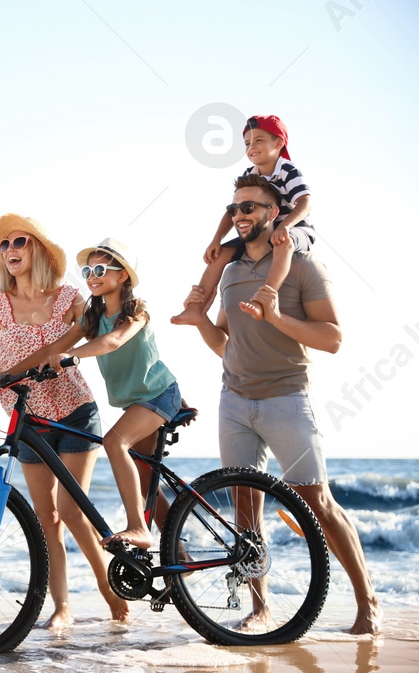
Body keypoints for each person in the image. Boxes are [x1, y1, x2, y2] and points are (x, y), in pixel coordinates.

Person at [183, 173, 381, 635]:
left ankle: (368, 603)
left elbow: (332, 339)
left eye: (249, 207)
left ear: (274, 213)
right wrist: (198, 322)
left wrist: (276, 315)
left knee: (316, 501)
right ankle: (261, 608)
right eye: (235, 209)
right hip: (234, 400)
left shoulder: (305, 265)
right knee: (245, 506)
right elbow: (225, 344)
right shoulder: (230, 274)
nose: (239, 216)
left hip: (288, 397)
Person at [0, 214, 129, 627]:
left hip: (73, 410)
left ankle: (110, 589)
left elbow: (82, 334)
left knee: (71, 510)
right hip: (26, 417)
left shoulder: (69, 297)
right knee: (45, 517)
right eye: (5, 245)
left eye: (20, 242)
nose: (11, 250)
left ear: (38, 250)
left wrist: (20, 367)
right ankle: (62, 607)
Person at [35, 239, 182, 551]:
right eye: (87, 270)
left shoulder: (137, 311)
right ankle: (177, 554)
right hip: (137, 403)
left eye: (99, 269)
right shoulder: (92, 316)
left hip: (158, 395)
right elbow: (55, 347)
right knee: (146, 482)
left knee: (115, 442)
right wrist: (7, 375)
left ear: (122, 275)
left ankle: (138, 528)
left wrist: (72, 356)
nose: (91, 275)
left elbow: (114, 341)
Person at [173, 115, 315, 325]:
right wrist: (216, 239)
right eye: (247, 143)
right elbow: (234, 211)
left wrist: (285, 226)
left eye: (258, 140)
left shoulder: (286, 170)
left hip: (295, 229)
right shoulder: (250, 173)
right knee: (220, 254)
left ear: (278, 142)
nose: (251, 147)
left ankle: (264, 299)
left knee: (283, 244)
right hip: (262, 230)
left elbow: (306, 202)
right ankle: (195, 308)